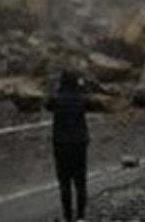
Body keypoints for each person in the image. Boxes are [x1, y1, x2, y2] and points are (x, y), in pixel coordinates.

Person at [45, 70, 89, 222]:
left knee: (64, 183)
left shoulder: (57, 99)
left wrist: (54, 88)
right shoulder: (80, 98)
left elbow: (47, 104)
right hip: (79, 143)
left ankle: (68, 216)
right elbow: (89, 102)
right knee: (80, 181)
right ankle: (81, 216)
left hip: (61, 144)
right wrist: (82, 87)